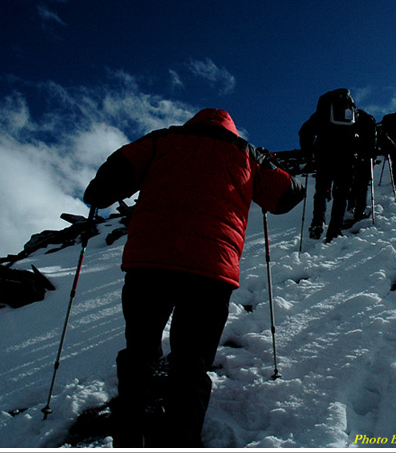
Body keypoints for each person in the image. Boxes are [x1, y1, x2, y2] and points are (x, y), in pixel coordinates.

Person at [83, 108, 305, 448]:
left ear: (194, 122)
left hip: (150, 262)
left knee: (139, 354)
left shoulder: (163, 140)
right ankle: (182, 440)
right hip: (211, 269)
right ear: (230, 126)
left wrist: (97, 193)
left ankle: (129, 438)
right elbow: (287, 196)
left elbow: (104, 186)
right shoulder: (247, 153)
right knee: (191, 364)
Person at [298, 88, 360, 242]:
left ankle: (317, 222)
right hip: (346, 160)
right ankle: (335, 230)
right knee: (341, 194)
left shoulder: (322, 113)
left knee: (321, 190)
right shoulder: (352, 114)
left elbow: (305, 132)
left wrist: (308, 154)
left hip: (324, 157)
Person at [346, 109, 377, 222]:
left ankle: (350, 206)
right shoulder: (369, 122)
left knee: (354, 183)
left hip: (352, 157)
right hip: (365, 157)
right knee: (362, 186)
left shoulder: (351, 122)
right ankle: (359, 212)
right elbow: (373, 140)